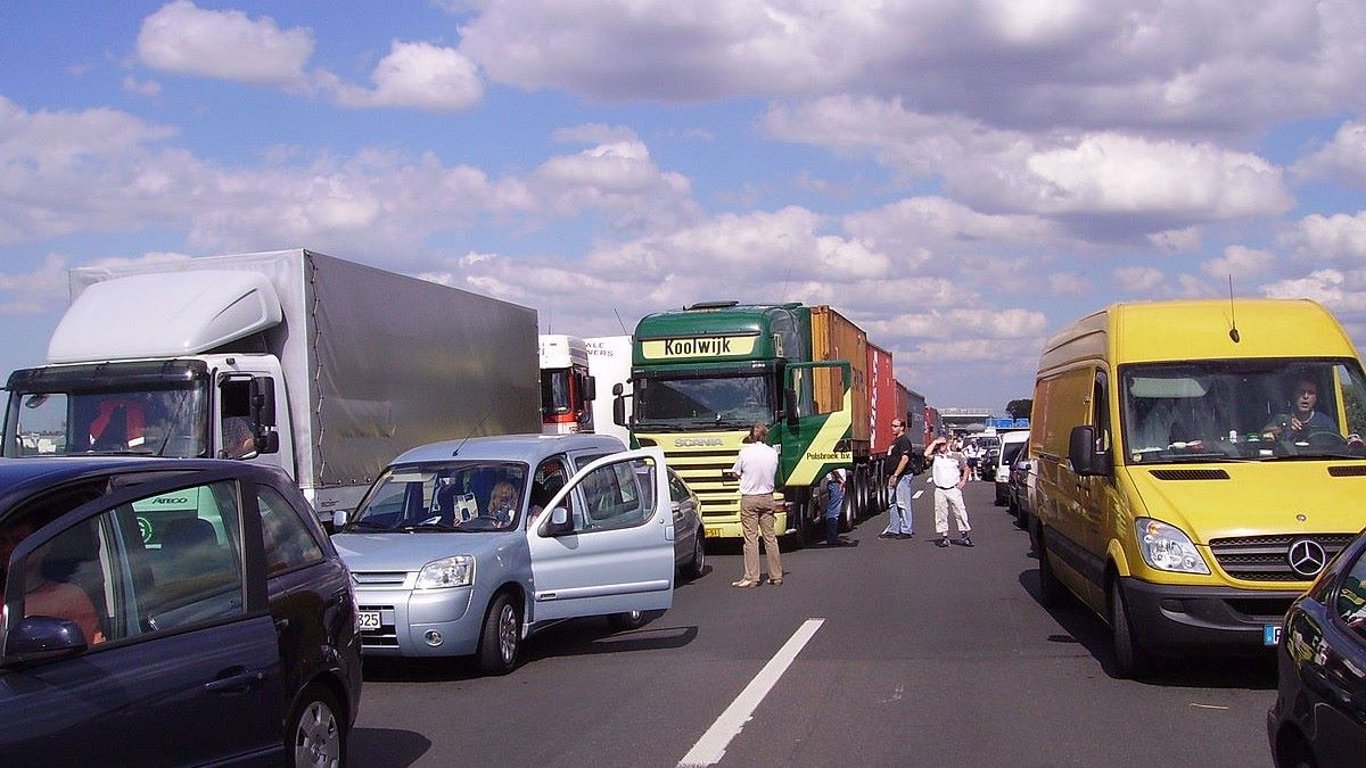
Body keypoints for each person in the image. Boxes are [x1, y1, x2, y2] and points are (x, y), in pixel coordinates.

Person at [0, 518, 106, 646]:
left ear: (44, 548)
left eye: (19, 541)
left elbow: (94, 652)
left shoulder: (69, 597)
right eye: (2, 541)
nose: (7, 549)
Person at [726, 422, 782, 587]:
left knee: (751, 539)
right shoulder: (773, 453)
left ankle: (752, 577)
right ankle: (776, 575)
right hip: (767, 497)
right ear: (766, 436)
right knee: (770, 538)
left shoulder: (745, 453)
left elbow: (736, 472)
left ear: (751, 436)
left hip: (750, 498)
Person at [925, 436, 973, 548]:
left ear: (946, 444)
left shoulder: (956, 456)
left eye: (942, 444)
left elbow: (966, 468)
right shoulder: (936, 457)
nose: (940, 447)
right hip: (940, 489)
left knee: (960, 512)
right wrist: (935, 442)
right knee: (940, 513)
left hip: (953, 488)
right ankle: (944, 537)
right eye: (939, 445)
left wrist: (963, 481)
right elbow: (926, 454)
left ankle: (965, 535)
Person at [878, 418, 916, 539]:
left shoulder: (904, 441)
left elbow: (904, 459)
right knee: (892, 502)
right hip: (893, 476)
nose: (892, 428)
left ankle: (906, 529)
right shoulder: (895, 441)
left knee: (903, 503)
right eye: (892, 425)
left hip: (902, 476)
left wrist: (896, 475)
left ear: (902, 427)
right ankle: (894, 528)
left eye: (895, 426)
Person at [1265, 379, 1337, 440]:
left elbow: (1338, 444)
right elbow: (1263, 435)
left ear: (1316, 398)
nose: (1305, 396)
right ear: (1293, 394)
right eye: (1301, 392)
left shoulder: (1326, 423)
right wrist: (1284, 427)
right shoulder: (1279, 418)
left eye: (1310, 392)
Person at [822, 469, 852, 546]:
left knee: (833, 511)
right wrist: (841, 480)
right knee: (834, 512)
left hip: (835, 483)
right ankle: (832, 538)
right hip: (836, 483)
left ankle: (832, 537)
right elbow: (834, 470)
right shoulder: (835, 458)